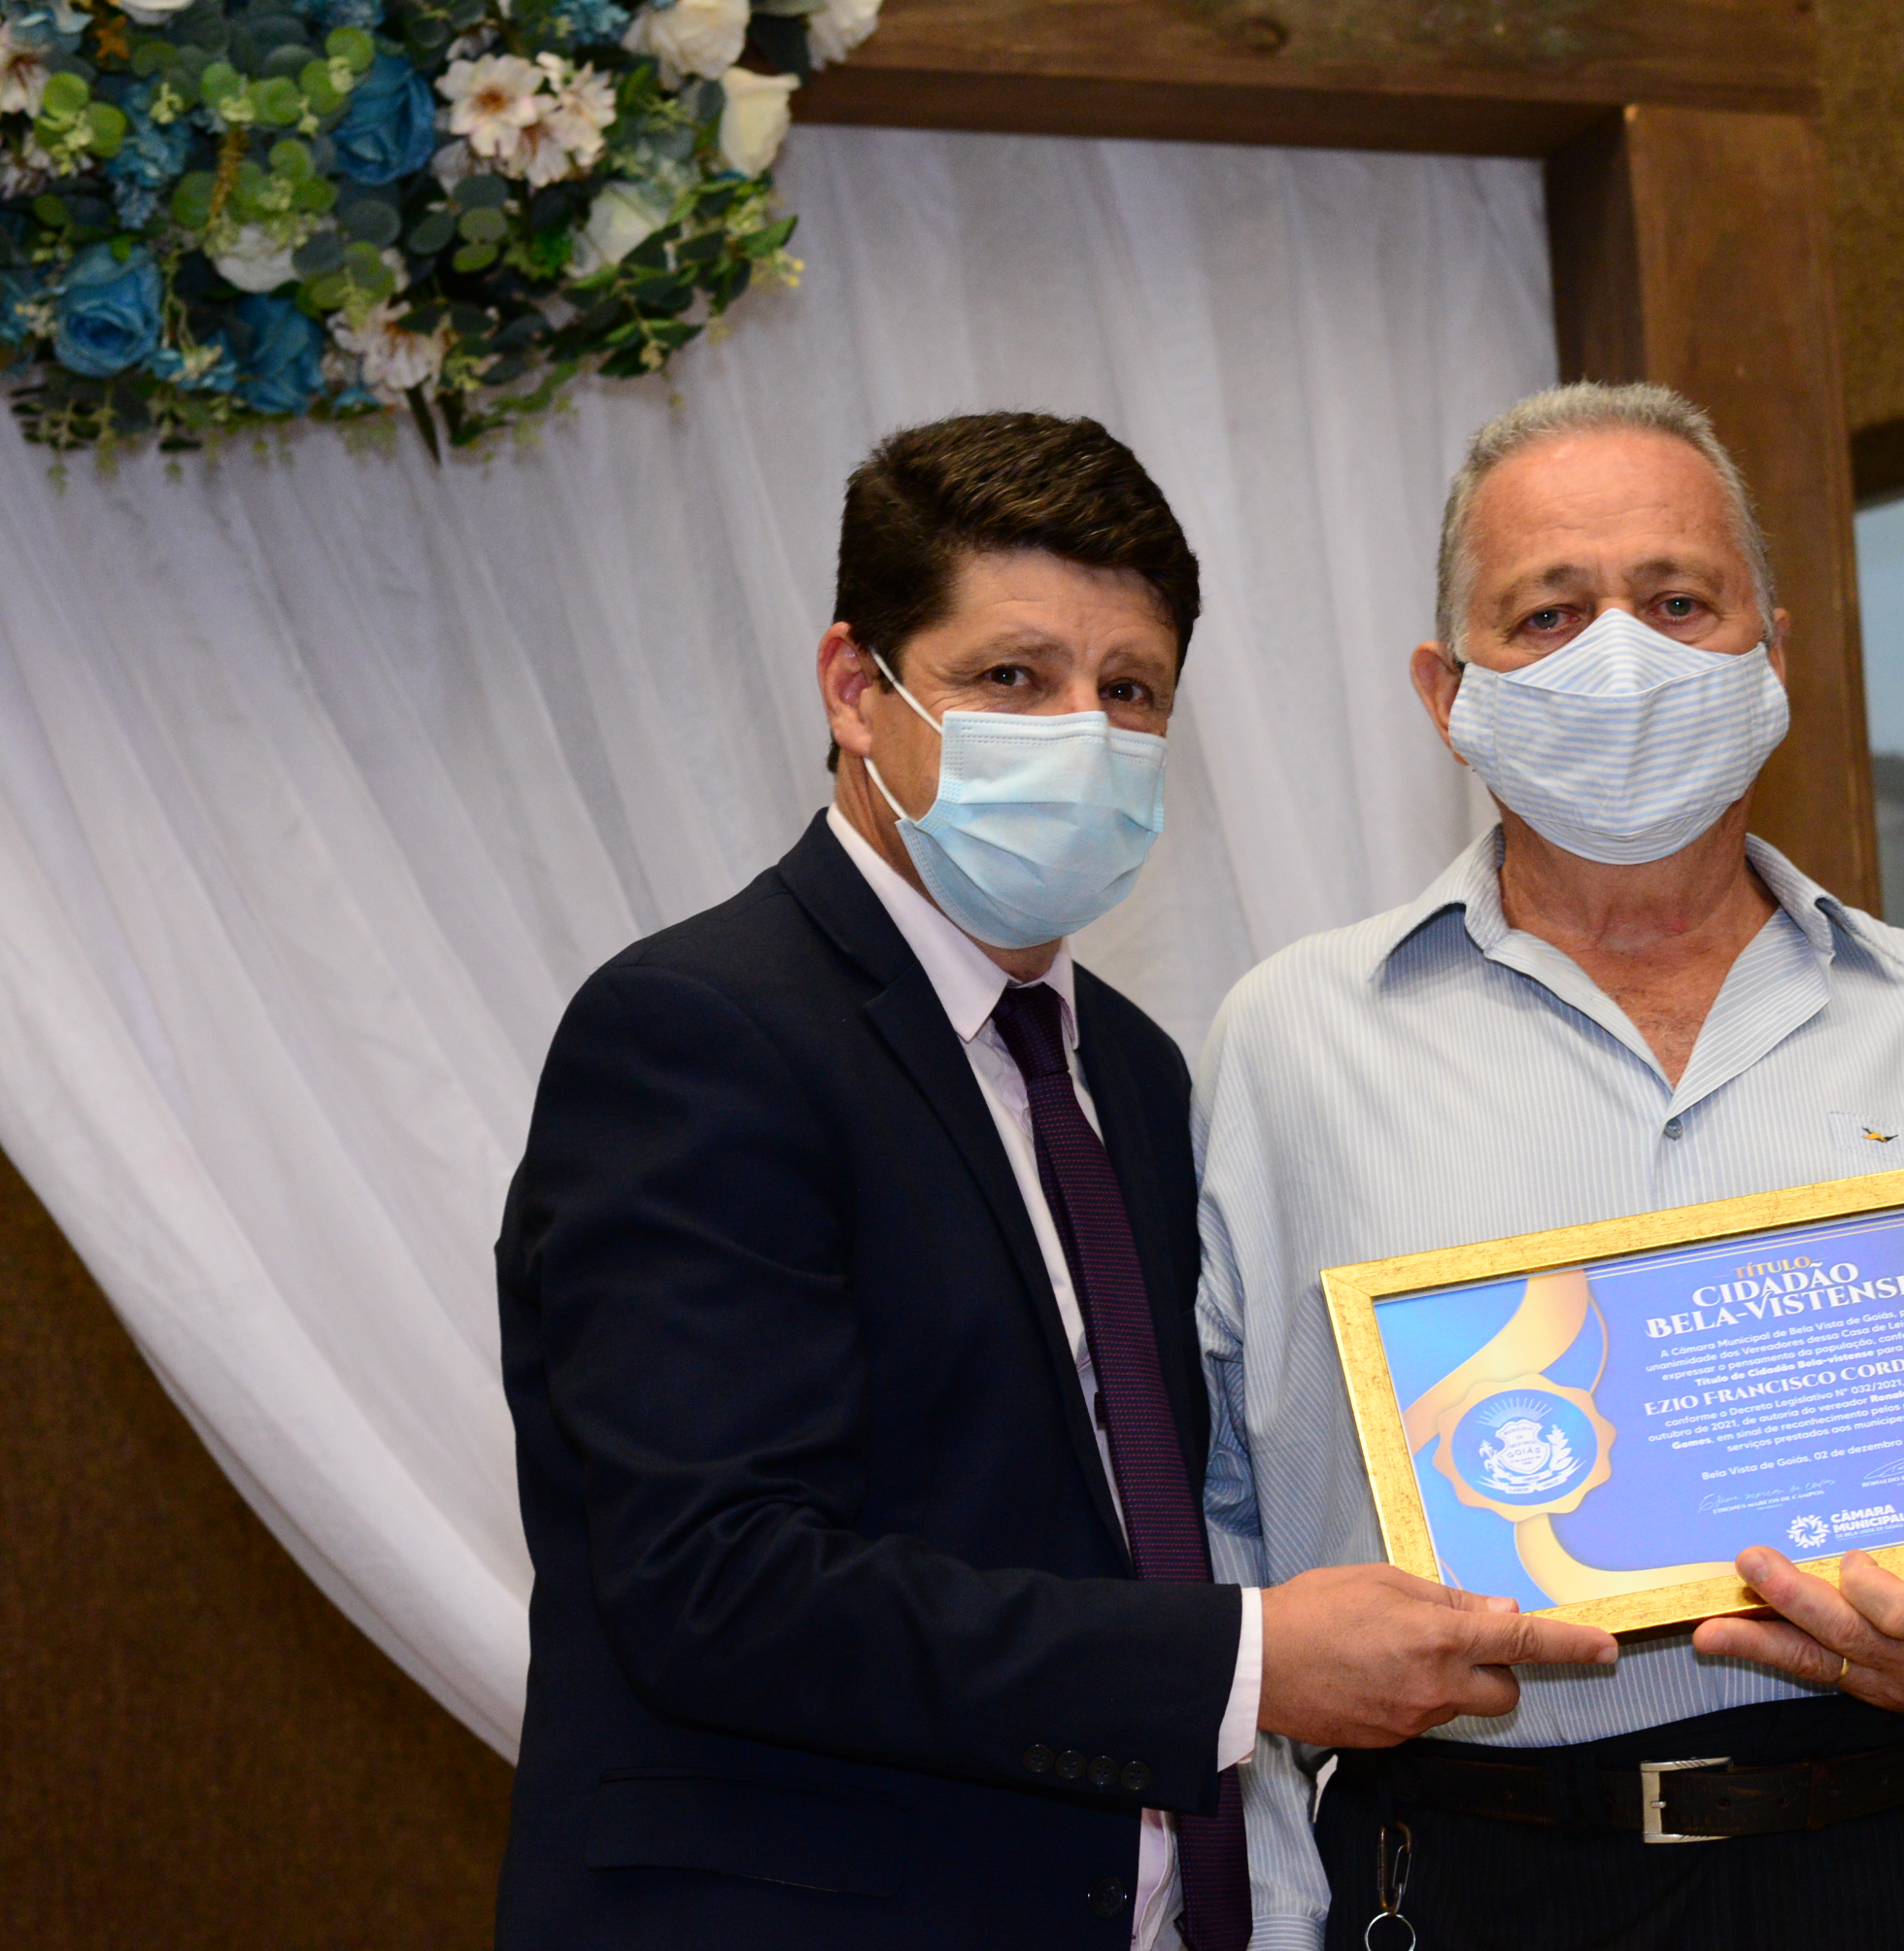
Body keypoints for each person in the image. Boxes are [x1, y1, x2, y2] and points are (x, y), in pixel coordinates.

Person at [1193, 382, 1904, 1949]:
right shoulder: (1291, 1049)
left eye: (1678, 602)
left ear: (1772, 657)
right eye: (1548, 614)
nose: (1622, 661)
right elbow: (1206, 1553)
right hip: (1475, 1880)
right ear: (1447, 692)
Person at [493, 412, 1615, 1951]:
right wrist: (1248, 1664)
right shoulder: (700, 1031)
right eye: (1013, 678)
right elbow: (721, 1586)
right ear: (856, 688)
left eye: (1130, 690)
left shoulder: (1135, 1074)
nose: (1082, 732)